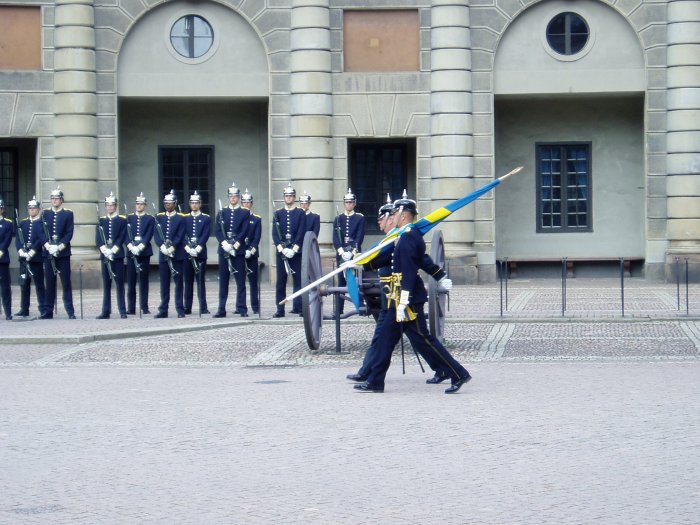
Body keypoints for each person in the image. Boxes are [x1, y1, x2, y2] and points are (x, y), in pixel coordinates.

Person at [354, 194, 471, 394]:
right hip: (397, 297)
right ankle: (375, 380)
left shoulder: (408, 236)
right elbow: (396, 259)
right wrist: (360, 263)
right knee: (385, 339)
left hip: (405, 300)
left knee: (423, 340)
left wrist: (403, 301)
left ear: (403, 215)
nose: (392, 217)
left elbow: (408, 269)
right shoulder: (404, 234)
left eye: (395, 213)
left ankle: (458, 373)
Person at [214, 182, 250, 318]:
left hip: (238, 250)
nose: (233, 198)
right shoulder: (222, 212)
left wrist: (235, 245)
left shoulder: (244, 212)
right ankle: (221, 309)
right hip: (224, 250)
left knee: (240, 281)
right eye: (231, 196)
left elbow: (244, 230)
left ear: (239, 197)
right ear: (228, 197)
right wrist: (225, 244)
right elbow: (217, 230)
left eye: (235, 196)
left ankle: (241, 308)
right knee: (223, 281)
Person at [272, 182, 305, 317]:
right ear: (284, 197)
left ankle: (299, 307)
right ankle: (280, 309)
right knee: (281, 282)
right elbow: (275, 233)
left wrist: (294, 249)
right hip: (282, 253)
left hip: (295, 253)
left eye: (291, 196)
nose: (289, 198)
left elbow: (301, 231)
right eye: (287, 196)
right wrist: (282, 249)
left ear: (294, 197)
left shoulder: (300, 213)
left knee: (298, 281)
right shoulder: (278, 213)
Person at [42, 186, 76, 319]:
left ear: (61, 200)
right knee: (49, 283)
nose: (54, 200)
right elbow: (41, 232)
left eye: (57, 198)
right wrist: (47, 245)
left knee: (66, 283)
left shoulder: (68, 214)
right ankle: (48, 310)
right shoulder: (45, 213)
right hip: (49, 252)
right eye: (52, 198)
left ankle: (70, 311)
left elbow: (69, 232)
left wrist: (60, 246)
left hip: (63, 254)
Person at [332, 188, 365, 315]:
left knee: (357, 281)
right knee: (341, 282)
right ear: (344, 203)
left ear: (355, 203)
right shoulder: (338, 219)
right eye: (347, 202)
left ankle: (360, 307)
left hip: (354, 253)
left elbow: (359, 237)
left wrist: (351, 252)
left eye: (351, 202)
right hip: (341, 255)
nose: (349, 204)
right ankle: (339, 310)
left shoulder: (359, 218)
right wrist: (341, 252)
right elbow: (335, 238)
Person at [95, 192, 127, 319]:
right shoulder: (101, 221)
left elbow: (121, 236)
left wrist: (112, 250)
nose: (109, 208)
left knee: (119, 284)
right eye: (107, 205)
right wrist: (104, 250)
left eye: (112, 205)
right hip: (105, 257)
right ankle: (106, 311)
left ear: (115, 206)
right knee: (106, 285)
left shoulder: (121, 220)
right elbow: (98, 238)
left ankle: (122, 310)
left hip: (117, 256)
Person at [154, 189, 186, 318]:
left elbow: (180, 234)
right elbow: (156, 234)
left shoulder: (180, 218)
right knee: (164, 284)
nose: (167, 205)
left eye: (170, 203)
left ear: (175, 203)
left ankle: (180, 309)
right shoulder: (159, 217)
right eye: (166, 203)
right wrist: (161, 246)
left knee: (178, 283)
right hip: (163, 254)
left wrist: (172, 247)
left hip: (177, 254)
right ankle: (163, 309)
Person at [15, 196, 47, 318]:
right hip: (24, 259)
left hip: (36, 258)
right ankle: (24, 308)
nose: (32, 210)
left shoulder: (41, 223)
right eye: (30, 208)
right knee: (24, 284)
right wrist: (20, 251)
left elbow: (41, 239)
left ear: (38, 209)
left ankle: (43, 308)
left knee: (39, 284)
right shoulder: (23, 223)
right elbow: (18, 239)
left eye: (34, 208)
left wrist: (32, 252)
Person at [125, 192, 154, 315]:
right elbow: (125, 234)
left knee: (143, 281)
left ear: (145, 205)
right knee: (131, 282)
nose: (139, 206)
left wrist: (141, 246)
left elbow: (148, 234)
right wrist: (131, 246)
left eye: (141, 204)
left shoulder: (150, 218)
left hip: (144, 252)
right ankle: (131, 308)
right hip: (132, 253)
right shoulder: (129, 218)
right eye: (137, 204)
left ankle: (144, 306)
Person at [183, 190, 210, 315]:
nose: (194, 205)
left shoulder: (205, 218)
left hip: (200, 253)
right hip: (187, 253)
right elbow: (182, 235)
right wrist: (188, 248)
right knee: (188, 282)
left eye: (196, 203)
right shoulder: (185, 218)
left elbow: (205, 234)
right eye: (192, 203)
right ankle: (187, 307)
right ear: (189, 204)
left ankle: (203, 307)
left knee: (200, 281)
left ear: (200, 204)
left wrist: (198, 248)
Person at [241, 189, 261, 315]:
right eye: (244, 202)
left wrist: (250, 250)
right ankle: (240, 306)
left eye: (248, 202)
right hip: (239, 253)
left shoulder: (256, 219)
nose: (246, 204)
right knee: (240, 282)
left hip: (252, 253)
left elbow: (257, 237)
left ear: (251, 203)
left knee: (253, 282)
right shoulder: (238, 217)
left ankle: (255, 306)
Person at [0, 197, 14, 320]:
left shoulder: (8, 223)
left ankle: (8, 312)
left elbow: (7, 239)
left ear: (2, 209)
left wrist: (0, 251)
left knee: (5, 288)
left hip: (2, 259)